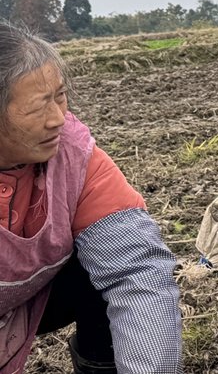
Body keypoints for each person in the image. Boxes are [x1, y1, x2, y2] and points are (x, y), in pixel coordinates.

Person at [0, 21, 182, 374]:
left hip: (27, 300)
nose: (58, 119)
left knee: (105, 263)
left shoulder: (72, 154)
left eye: (60, 96)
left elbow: (137, 271)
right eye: (39, 106)